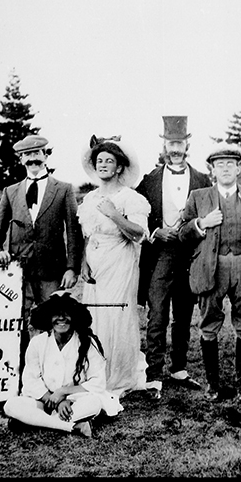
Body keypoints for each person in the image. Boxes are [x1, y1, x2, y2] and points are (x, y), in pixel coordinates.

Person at [178, 148, 241, 403]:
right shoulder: (199, 197)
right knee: (209, 323)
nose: (224, 168)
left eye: (230, 164)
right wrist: (201, 223)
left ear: (238, 169)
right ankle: (213, 384)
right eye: (219, 164)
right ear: (212, 169)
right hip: (213, 268)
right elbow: (182, 234)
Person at [135, 116, 212, 401]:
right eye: (171, 143)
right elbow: (139, 215)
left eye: (180, 143)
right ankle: (154, 374)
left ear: (187, 144)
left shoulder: (203, 179)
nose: (175, 148)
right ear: (164, 145)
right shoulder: (150, 180)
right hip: (160, 254)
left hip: (189, 254)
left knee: (183, 314)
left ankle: (178, 368)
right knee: (157, 314)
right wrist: (156, 231)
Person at [0, 135, 83, 360]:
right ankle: (18, 373)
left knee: (56, 322)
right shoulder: (11, 192)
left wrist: (72, 268)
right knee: (17, 324)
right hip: (19, 273)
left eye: (37, 153)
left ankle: (54, 371)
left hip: (52, 272)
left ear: (46, 156)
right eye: (27, 155)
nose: (33, 159)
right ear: (21, 160)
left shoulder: (64, 189)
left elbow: (74, 233)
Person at [77, 135, 150, 398]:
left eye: (109, 161)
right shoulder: (89, 198)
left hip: (119, 262)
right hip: (95, 266)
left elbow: (140, 234)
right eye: (100, 161)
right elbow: (88, 234)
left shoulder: (130, 198)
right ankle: (94, 373)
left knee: (115, 316)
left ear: (119, 167)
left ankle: (116, 377)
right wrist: (84, 262)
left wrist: (114, 214)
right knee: (93, 318)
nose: (104, 165)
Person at [3, 292, 123, 438]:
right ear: (49, 318)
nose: (61, 318)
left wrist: (64, 393)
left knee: (94, 403)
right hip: (45, 401)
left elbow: (98, 382)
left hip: (76, 401)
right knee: (11, 405)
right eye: (56, 314)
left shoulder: (87, 343)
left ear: (75, 318)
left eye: (67, 314)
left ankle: (35, 422)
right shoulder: (38, 342)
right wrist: (54, 400)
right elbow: (30, 380)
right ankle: (71, 427)